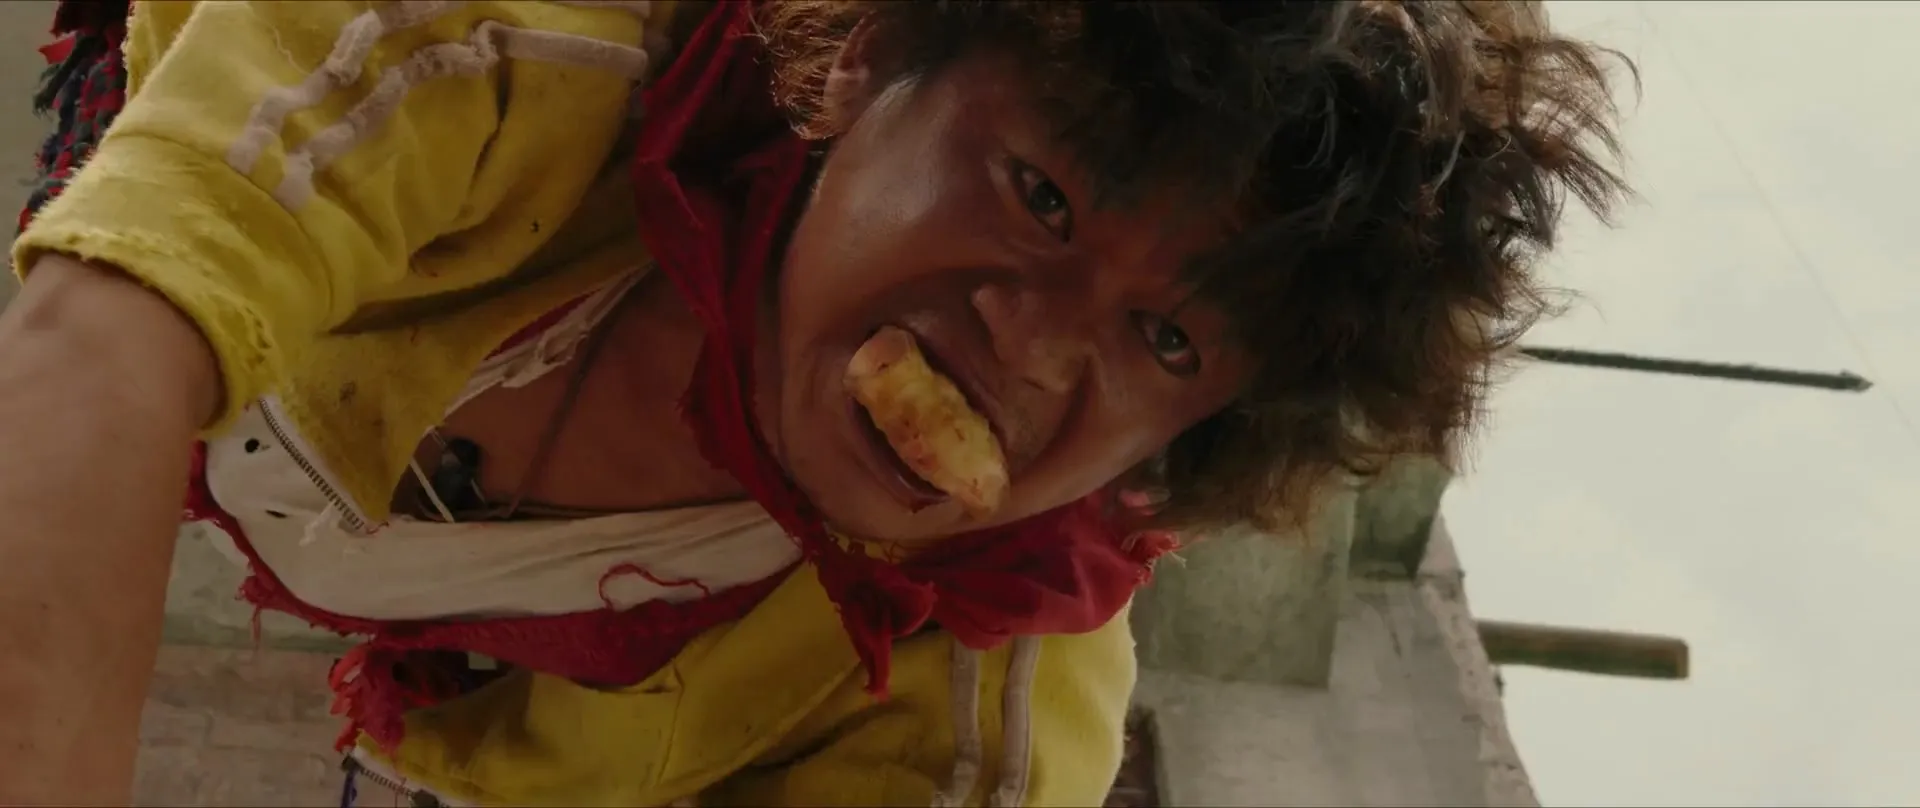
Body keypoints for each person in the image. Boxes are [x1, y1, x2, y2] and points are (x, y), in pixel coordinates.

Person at [0, 0, 1631, 804]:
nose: (1030, 356)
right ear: (865, 55)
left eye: (1167, 340)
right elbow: (104, 341)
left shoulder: (983, 697)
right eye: (1042, 197)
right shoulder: (525, 40)